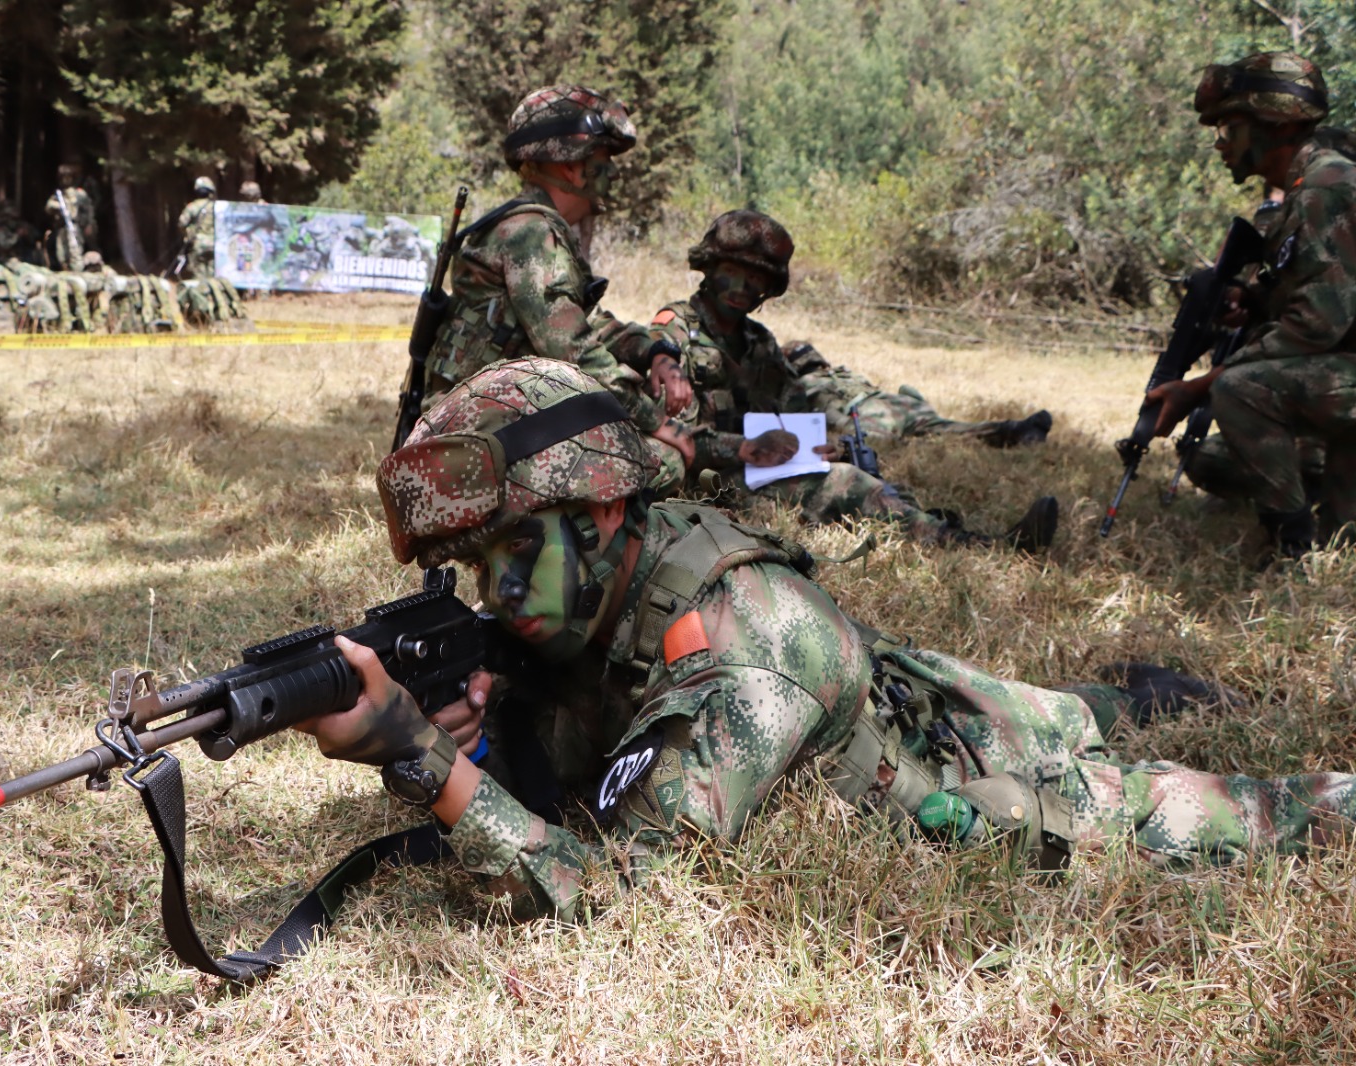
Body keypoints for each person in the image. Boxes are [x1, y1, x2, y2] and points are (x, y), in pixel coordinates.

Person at [291, 357, 1354, 923]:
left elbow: (618, 895)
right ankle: (1123, 691)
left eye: (519, 547)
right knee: (1066, 701)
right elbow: (590, 748)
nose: (502, 586)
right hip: (904, 689)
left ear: (609, 510)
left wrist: (418, 758)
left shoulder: (739, 637)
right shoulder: (602, 591)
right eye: (480, 565)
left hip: (973, 778)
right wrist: (481, 735)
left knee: (1205, 802)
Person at [652, 210, 1058, 549]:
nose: (741, 288)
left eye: (755, 279)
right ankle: (985, 546)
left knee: (874, 482)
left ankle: (935, 530)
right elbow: (669, 434)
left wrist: (819, 445)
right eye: (729, 271)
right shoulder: (672, 335)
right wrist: (750, 449)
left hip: (760, 467)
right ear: (707, 268)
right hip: (706, 485)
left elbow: (797, 405)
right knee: (849, 485)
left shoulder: (758, 341)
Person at [416, 84, 697, 483]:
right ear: (572, 165)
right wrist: (657, 423)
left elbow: (583, 324)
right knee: (662, 459)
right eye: (604, 159)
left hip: (491, 420)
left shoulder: (535, 228)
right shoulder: (530, 234)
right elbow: (573, 351)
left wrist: (656, 351)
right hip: (474, 437)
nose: (612, 173)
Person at [1148, 52, 1356, 558]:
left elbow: (1314, 327)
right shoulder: (1310, 189)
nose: (1219, 143)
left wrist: (1199, 387)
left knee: (1241, 390)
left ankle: (1290, 551)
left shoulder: (1324, 191)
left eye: (1229, 127)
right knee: (1344, 540)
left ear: (1274, 125)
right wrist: (1255, 297)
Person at [782, 341, 1052, 447]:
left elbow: (824, 415)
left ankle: (1015, 431)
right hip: (894, 403)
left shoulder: (805, 385)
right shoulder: (841, 373)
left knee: (895, 442)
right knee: (950, 429)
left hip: (871, 412)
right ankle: (1013, 429)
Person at [178, 176, 218, 278]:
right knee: (213, 275)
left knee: (198, 276)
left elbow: (182, 223)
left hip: (198, 244)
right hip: (215, 244)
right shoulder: (217, 206)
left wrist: (188, 234)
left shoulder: (192, 206)